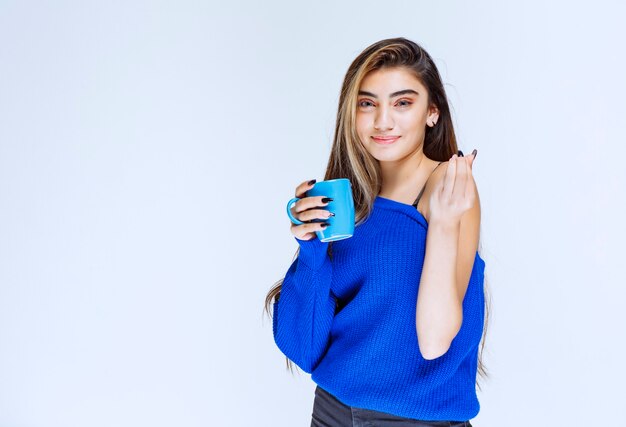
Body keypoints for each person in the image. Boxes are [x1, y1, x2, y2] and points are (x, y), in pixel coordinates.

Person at [263, 37, 490, 427]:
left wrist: (445, 223)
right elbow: (303, 347)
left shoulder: (446, 189)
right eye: (367, 104)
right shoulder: (347, 198)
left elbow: (435, 342)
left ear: (432, 112)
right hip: (332, 410)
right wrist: (310, 249)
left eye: (403, 103)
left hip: (413, 420)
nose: (383, 121)